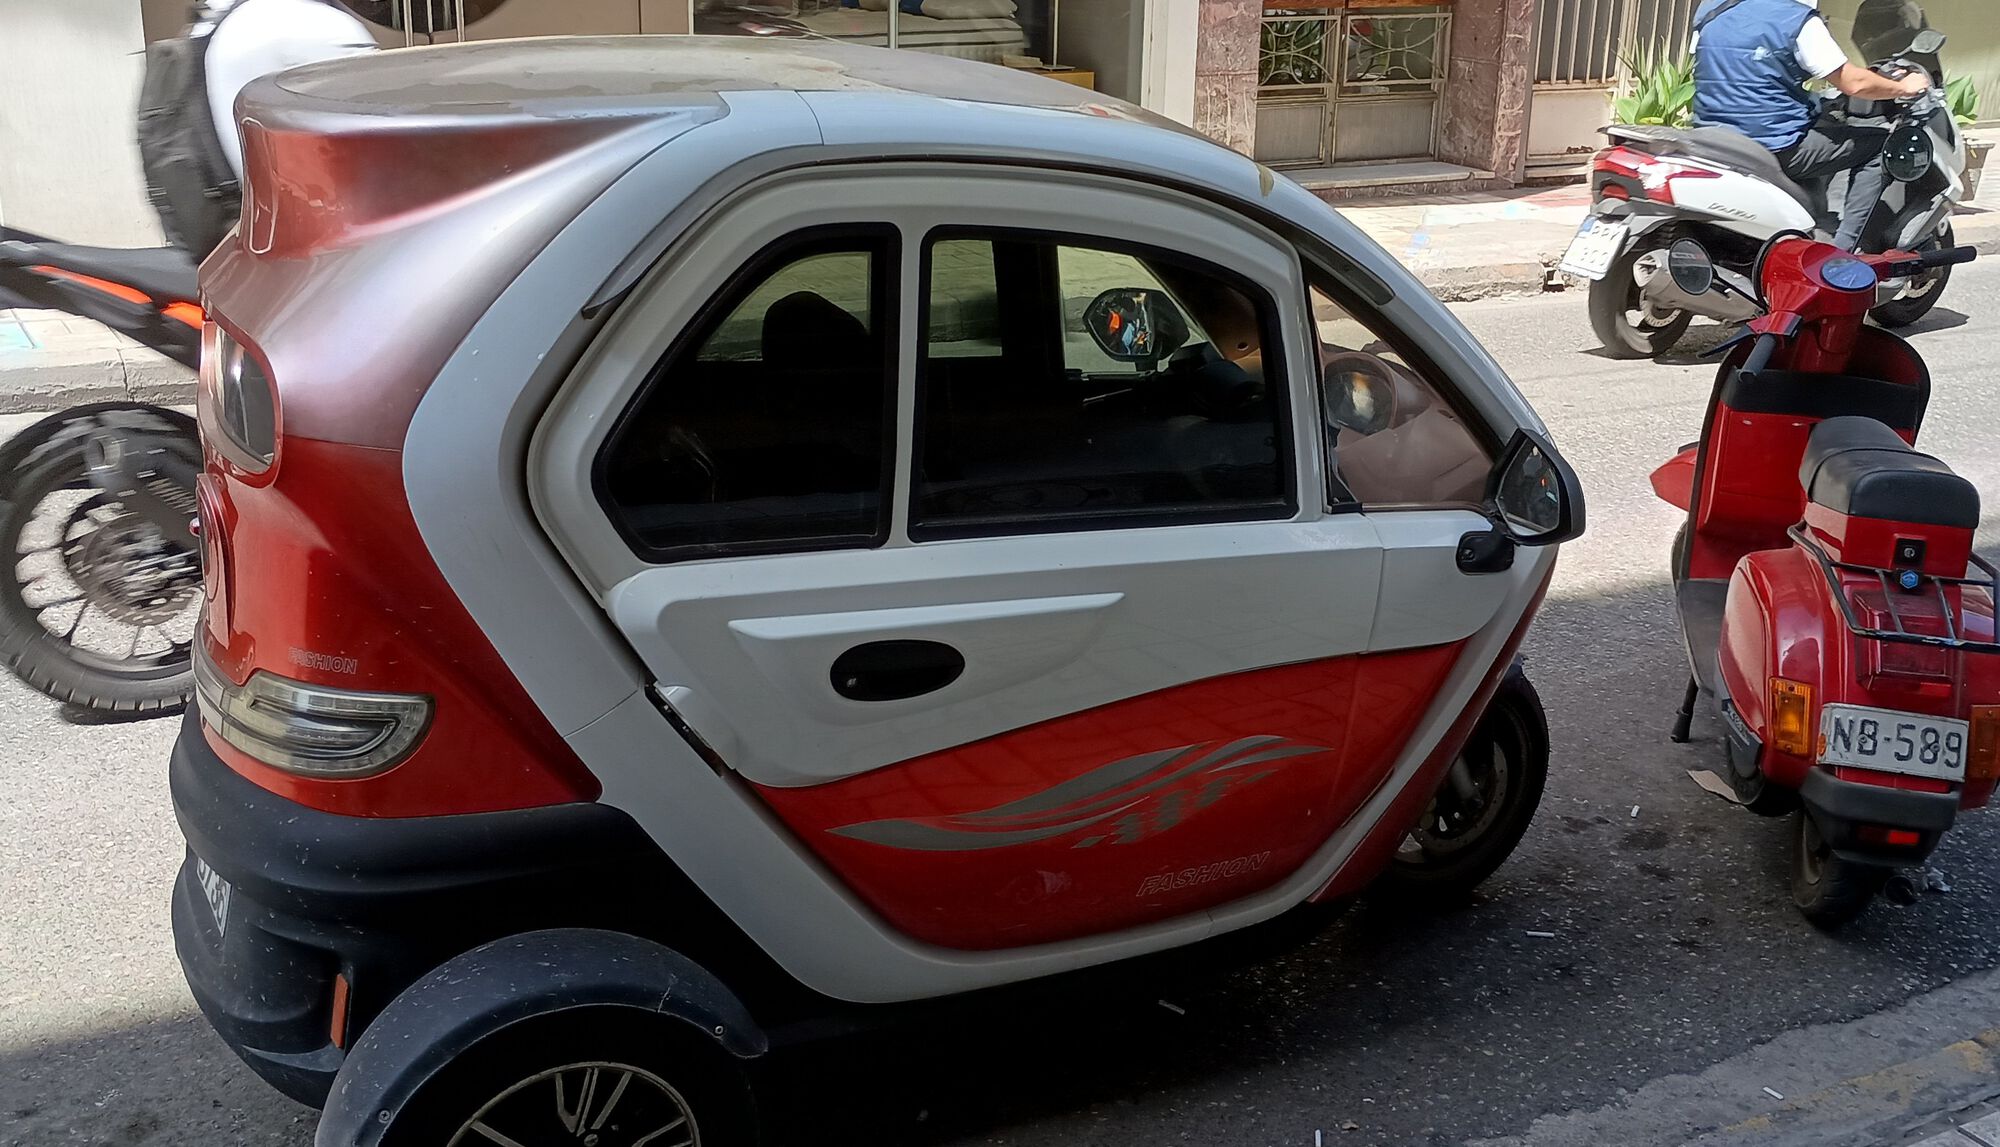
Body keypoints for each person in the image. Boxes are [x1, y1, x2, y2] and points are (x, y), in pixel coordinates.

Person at [138, 0, 376, 255]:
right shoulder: (314, 24)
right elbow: (378, 150)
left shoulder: (216, 20)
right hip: (310, 249)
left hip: (237, 238)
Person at [1690, 0, 1931, 251]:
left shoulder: (1711, 13)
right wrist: (1904, 87)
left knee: (1824, 121)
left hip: (1714, 140)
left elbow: (1731, 70)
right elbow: (1853, 83)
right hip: (1775, 146)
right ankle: (1844, 249)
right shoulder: (1795, 20)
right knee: (1880, 146)